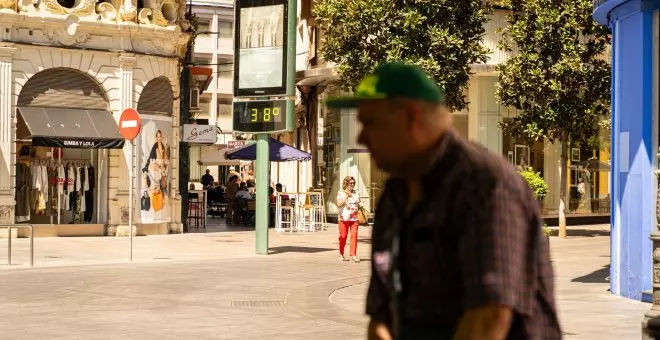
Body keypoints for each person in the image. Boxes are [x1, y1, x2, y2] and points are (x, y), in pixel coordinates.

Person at [327, 62, 561, 340]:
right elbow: (381, 314)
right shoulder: (395, 194)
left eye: (371, 123)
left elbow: (489, 318)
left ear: (411, 117)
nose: (362, 137)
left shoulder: (485, 184)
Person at [336, 176, 361, 263]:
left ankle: (353, 255)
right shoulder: (341, 192)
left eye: (353, 183)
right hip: (343, 218)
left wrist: (353, 196)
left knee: (354, 236)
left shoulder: (356, 192)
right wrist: (347, 195)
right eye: (350, 183)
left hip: (354, 218)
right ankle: (341, 252)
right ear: (346, 183)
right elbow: (339, 204)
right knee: (343, 236)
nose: (352, 185)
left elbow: (358, 201)